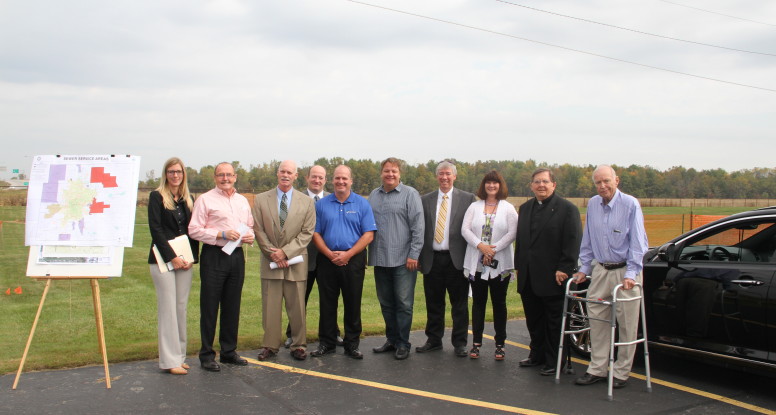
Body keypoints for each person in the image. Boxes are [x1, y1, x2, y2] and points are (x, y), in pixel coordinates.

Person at [572, 165, 649, 389]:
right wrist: (584, 268)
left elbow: (638, 242)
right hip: (601, 270)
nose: (602, 186)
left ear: (617, 180)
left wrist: (632, 273)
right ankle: (597, 368)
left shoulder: (630, 204)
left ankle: (622, 372)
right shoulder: (593, 204)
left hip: (625, 272)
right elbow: (588, 239)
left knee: (627, 324)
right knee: (596, 321)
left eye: (606, 181)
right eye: (598, 182)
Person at [515, 168, 582, 376]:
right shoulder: (525, 208)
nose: (541, 185)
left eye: (545, 181)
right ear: (531, 186)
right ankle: (537, 355)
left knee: (554, 322)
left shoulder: (567, 209)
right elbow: (522, 242)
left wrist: (565, 268)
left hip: (554, 276)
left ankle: (555, 361)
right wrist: (519, 267)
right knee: (534, 320)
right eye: (537, 182)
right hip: (528, 276)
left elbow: (573, 241)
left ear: (554, 184)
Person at [188, 162, 255, 372]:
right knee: (210, 306)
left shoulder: (242, 201)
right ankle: (207, 354)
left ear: (235, 177)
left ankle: (228, 351)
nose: (225, 178)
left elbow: (250, 226)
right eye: (221, 175)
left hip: (236, 256)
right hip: (214, 255)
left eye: (229, 175)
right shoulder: (205, 199)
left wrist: (249, 236)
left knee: (232, 305)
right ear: (215, 178)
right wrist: (220, 234)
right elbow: (194, 230)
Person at [310, 165, 377, 359]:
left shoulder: (362, 204)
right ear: (332, 180)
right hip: (327, 260)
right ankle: (327, 343)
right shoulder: (321, 205)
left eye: (344, 178)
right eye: (337, 178)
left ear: (351, 181)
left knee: (352, 303)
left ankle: (352, 344)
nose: (341, 181)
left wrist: (348, 255)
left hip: (353, 260)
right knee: (327, 304)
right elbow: (315, 233)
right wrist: (329, 254)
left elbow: (369, 234)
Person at [252, 160, 316, 361]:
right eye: (282, 171)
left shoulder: (307, 202)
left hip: (296, 262)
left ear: (296, 176)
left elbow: (307, 233)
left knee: (297, 308)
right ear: (277, 173)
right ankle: (270, 346)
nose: (285, 175)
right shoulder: (261, 200)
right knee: (270, 307)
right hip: (270, 261)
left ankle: (298, 345)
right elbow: (257, 229)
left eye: (289, 172)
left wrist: (285, 253)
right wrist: (272, 253)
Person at [416, 161, 476, 357]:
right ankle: (434, 340)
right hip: (432, 259)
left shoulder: (468, 199)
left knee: (459, 305)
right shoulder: (425, 199)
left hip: (456, 260)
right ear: (437, 176)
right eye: (441, 174)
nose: (444, 177)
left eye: (448, 174)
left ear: (454, 176)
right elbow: (420, 229)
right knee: (434, 303)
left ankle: (460, 343)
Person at [147, 157, 200, 375]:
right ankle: (169, 361)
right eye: (171, 172)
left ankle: (180, 356)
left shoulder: (188, 199)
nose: (175, 175)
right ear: (166, 174)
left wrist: (191, 258)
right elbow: (156, 230)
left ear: (183, 174)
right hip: (163, 260)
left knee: (180, 307)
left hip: (185, 261)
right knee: (168, 308)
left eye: (178, 171)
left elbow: (192, 231)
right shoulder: (156, 196)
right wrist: (172, 257)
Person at [368, 158, 424, 360]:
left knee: (403, 303)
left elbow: (418, 226)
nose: (390, 174)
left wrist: (414, 254)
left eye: (394, 171)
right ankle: (391, 340)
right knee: (386, 303)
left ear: (400, 174)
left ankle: (403, 343)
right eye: (386, 171)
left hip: (403, 260)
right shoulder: (374, 195)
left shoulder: (410, 194)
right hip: (380, 257)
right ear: (381, 173)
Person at [284, 165, 344, 348]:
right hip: (303, 257)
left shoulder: (333, 199)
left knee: (329, 299)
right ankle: (293, 334)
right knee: (299, 299)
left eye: (321, 177)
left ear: (325, 180)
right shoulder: (295, 198)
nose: (317, 180)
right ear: (307, 178)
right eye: (314, 177)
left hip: (327, 258)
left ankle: (332, 333)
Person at [462, 170, 518, 361]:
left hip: (500, 265)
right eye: (488, 182)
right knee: (478, 304)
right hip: (477, 264)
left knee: (499, 304)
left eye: (495, 183)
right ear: (483, 185)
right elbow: (465, 229)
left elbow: (513, 232)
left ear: (500, 185)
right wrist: (481, 246)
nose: (491, 186)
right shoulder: (474, 207)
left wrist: (492, 250)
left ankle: (500, 344)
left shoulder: (508, 208)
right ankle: (476, 343)